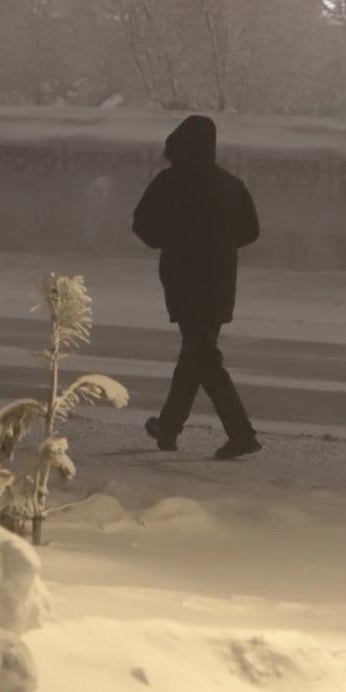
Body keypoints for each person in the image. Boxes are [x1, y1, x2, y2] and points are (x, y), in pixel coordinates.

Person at [131, 114, 263, 460]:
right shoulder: (230, 185)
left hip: (184, 281)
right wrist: (220, 246)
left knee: (202, 356)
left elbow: (142, 224)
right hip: (219, 284)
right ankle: (168, 427)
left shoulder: (169, 183)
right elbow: (251, 231)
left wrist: (170, 241)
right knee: (197, 353)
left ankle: (241, 433)